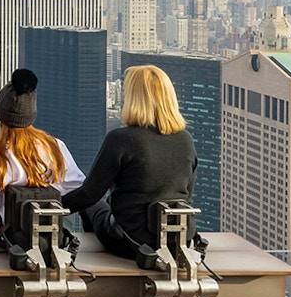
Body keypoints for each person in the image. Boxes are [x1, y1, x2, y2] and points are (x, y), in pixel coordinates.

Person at [61, 65, 197, 259]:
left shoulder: (121, 138)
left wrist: (51, 206)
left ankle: (90, 254)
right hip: (178, 241)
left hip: (131, 241)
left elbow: (89, 193)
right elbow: (186, 194)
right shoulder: (186, 139)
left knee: (93, 205)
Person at [0, 68, 85, 247]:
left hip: (10, 236)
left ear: (0, 114)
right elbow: (76, 185)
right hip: (49, 233)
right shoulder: (54, 146)